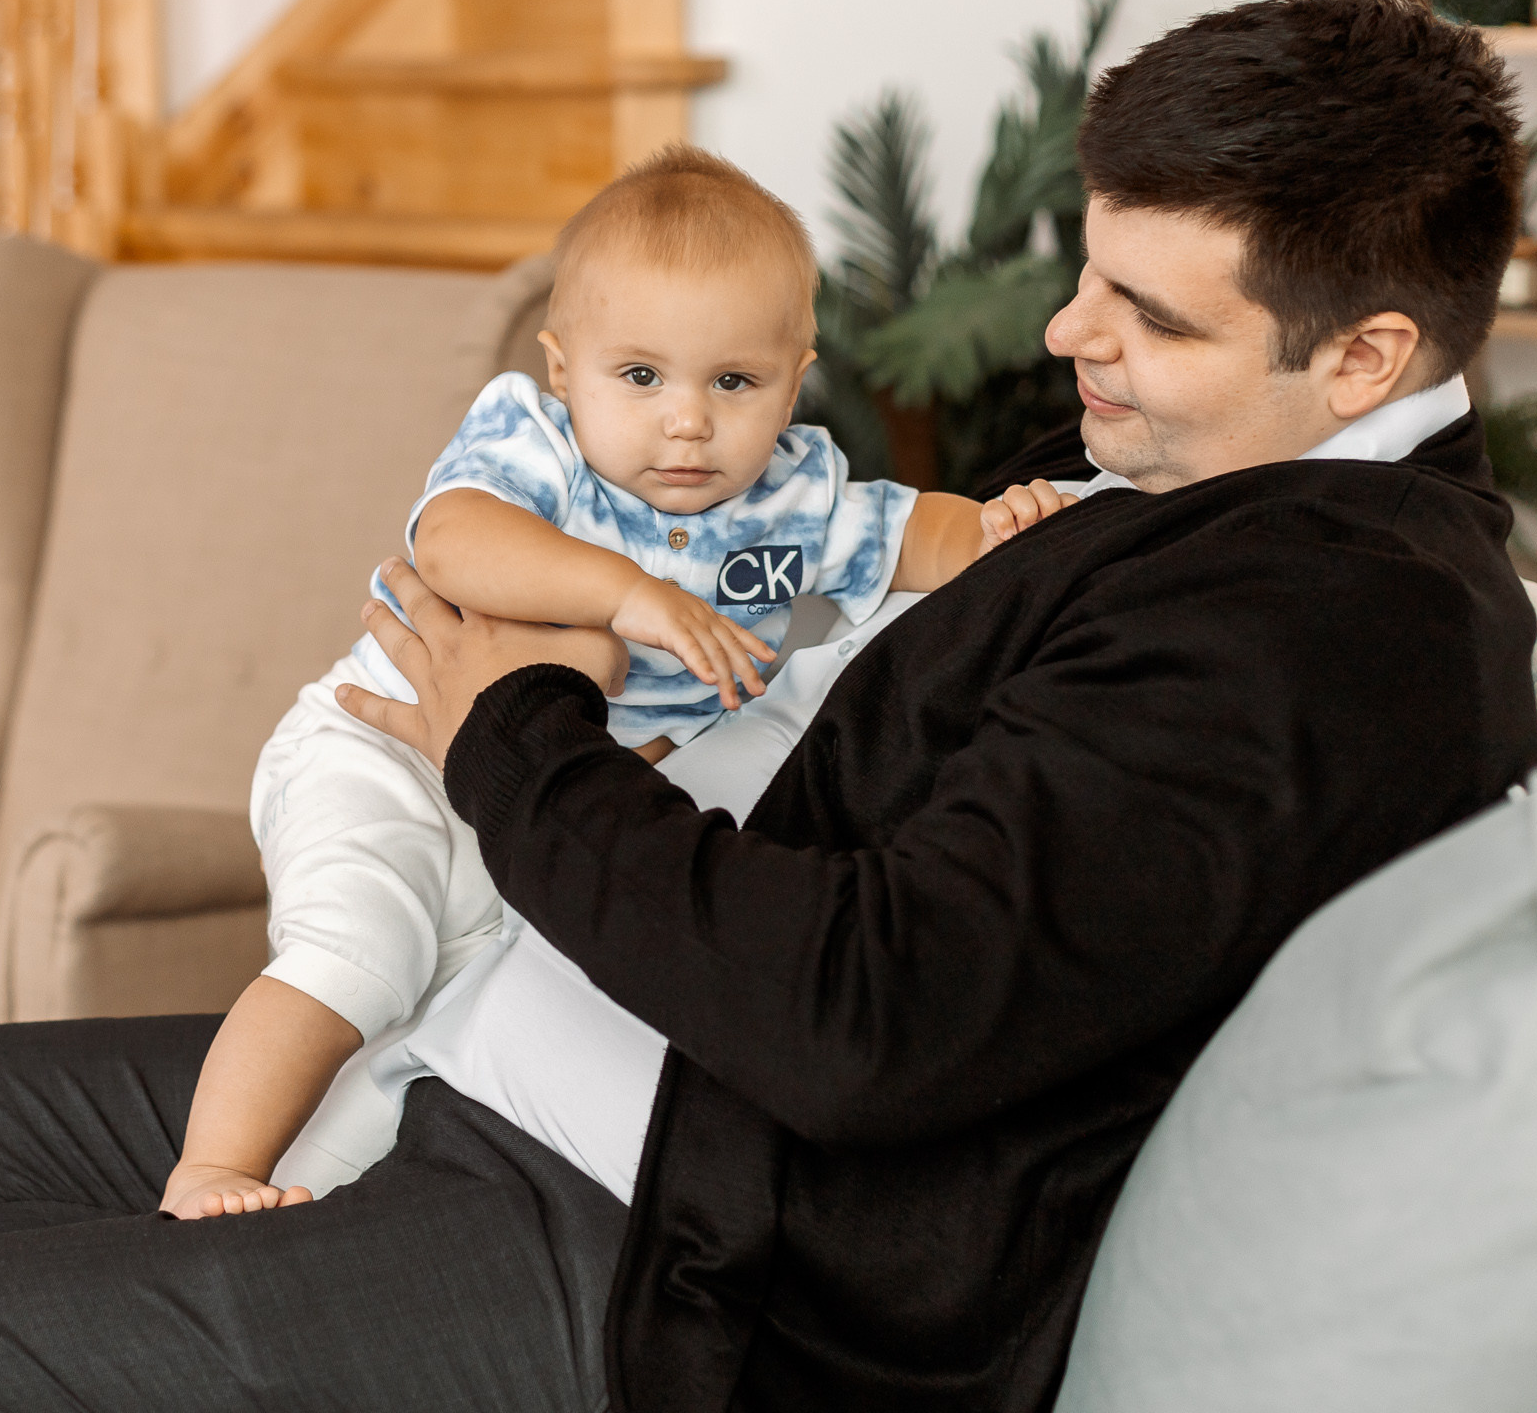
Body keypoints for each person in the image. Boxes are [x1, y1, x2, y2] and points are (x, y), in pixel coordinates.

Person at [0, 0, 1537, 1413]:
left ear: (1368, 354)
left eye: (1144, 312)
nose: (1069, 335)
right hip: (540, 1066)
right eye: (1087, 273)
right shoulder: (1209, 489)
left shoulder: (1330, 623)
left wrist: (503, 727)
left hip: (674, 1247)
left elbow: (867, 1015)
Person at [181, 146, 1068, 1219]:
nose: (686, 420)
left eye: (733, 381)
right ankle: (210, 1167)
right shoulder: (537, 444)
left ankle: (306, 1201)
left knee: (446, 1019)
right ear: (565, 369)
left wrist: (1001, 529)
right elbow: (455, 541)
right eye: (640, 376)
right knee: (361, 953)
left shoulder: (798, 496)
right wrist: (625, 592)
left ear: (794, 377)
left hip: (521, 804)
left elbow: (914, 533)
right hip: (387, 755)